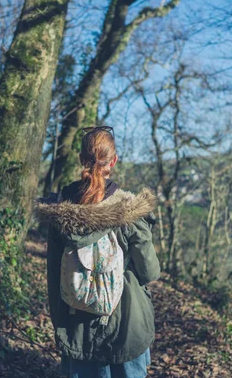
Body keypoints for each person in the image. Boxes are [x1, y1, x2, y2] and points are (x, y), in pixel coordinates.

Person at [34, 126, 161, 378]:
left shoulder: (59, 212)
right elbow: (149, 272)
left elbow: (53, 274)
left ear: (81, 159)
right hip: (126, 325)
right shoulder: (130, 210)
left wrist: (60, 322)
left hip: (76, 322)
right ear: (112, 161)